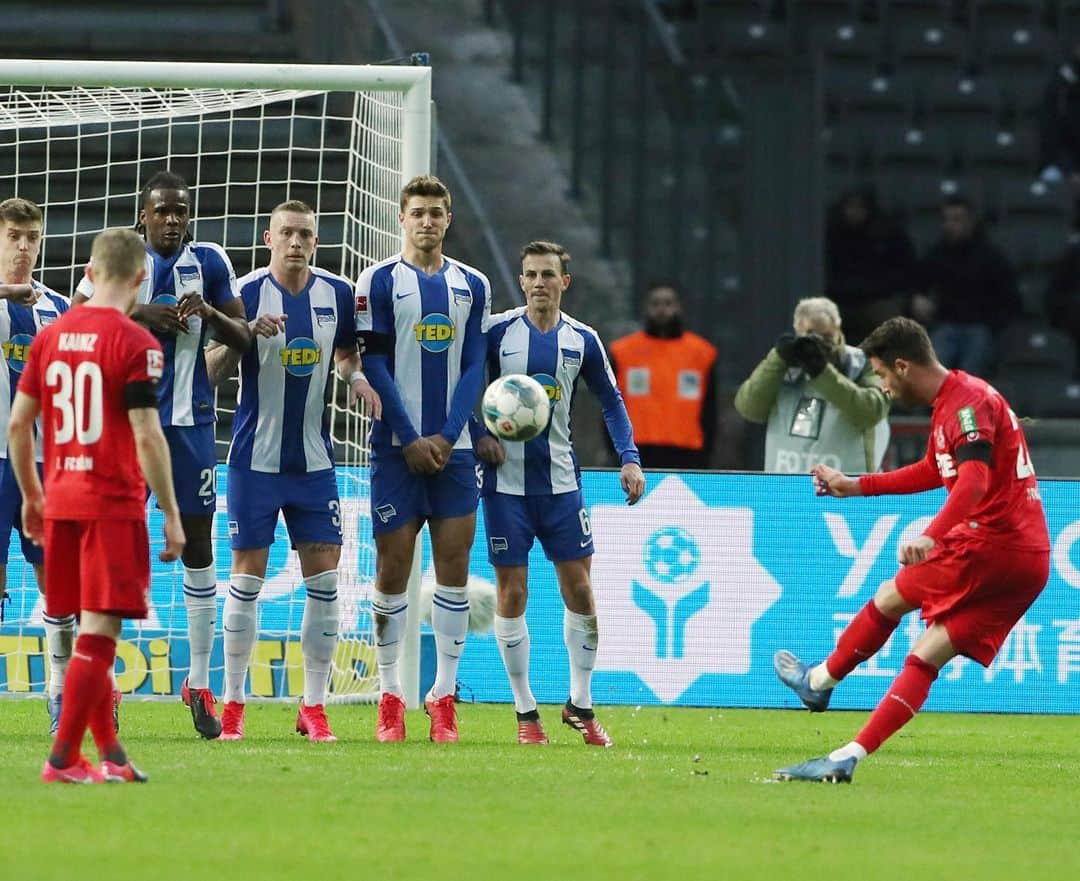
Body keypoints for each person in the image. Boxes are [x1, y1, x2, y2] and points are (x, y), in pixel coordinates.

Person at [773, 317, 1050, 783]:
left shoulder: (967, 405)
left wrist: (933, 535)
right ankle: (848, 755)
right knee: (926, 655)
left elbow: (974, 482)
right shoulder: (957, 401)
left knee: (889, 597)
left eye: (882, 374)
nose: (882, 386)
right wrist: (855, 486)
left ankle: (818, 682)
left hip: (990, 546)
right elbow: (931, 471)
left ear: (902, 365)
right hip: (1029, 562)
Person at [73, 170, 250, 739]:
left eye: (180, 210)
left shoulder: (212, 261)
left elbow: (244, 339)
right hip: (123, 428)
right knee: (110, 548)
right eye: (162, 210)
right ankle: (103, 681)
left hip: (191, 427)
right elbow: (78, 326)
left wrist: (213, 317)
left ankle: (199, 680)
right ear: (143, 214)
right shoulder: (120, 258)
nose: (172, 219)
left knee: (199, 545)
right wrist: (135, 315)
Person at [10, 227, 185, 783]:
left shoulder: (51, 336)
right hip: (111, 503)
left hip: (59, 500)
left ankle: (110, 755)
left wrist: (32, 495)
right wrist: (173, 513)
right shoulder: (136, 344)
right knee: (98, 636)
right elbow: (148, 435)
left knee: (88, 630)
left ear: (89, 272)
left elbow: (19, 425)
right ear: (139, 278)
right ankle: (62, 758)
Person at [205, 200, 380, 742]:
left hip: (315, 464)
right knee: (246, 582)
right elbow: (210, 371)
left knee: (326, 585)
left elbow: (347, 355)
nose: (297, 242)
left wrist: (356, 381)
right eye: (287, 233)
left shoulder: (336, 294)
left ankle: (313, 705)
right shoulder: (247, 294)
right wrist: (245, 335)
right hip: (253, 463)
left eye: (306, 233)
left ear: (316, 240)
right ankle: (233, 703)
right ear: (268, 238)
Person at [477, 241, 645, 745]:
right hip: (504, 488)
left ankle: (581, 703)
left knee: (581, 591)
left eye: (548, 275)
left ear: (564, 283)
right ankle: (526, 713)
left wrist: (630, 457)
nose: (539, 284)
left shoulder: (583, 340)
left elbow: (611, 403)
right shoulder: (497, 334)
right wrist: (480, 433)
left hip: (562, 485)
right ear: (521, 280)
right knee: (513, 593)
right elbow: (465, 387)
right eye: (530, 275)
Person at [355, 174, 490, 743]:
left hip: (454, 454)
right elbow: (376, 364)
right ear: (401, 217)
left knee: (453, 575)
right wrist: (411, 436)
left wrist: (449, 433)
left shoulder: (474, 284)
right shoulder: (379, 280)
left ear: (448, 220)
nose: (428, 221)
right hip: (395, 451)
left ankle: (443, 697)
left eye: (437, 213)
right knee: (393, 572)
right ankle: (391, 696)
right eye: (418, 212)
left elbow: (474, 365)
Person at [0, 198, 71, 734]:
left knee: (56, 580)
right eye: (14, 236)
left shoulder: (57, 308)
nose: (24, 246)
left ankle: (59, 690)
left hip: (45, 463)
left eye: (31, 237)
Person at [734, 296, 890, 474]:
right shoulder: (784, 364)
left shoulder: (862, 364)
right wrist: (777, 360)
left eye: (827, 336)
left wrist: (822, 372)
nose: (821, 343)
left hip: (847, 492)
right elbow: (749, 409)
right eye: (812, 336)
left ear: (839, 331)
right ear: (798, 333)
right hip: (786, 492)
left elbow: (872, 411)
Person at [608, 283, 717, 469]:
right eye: (655, 303)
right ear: (646, 308)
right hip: (637, 451)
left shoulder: (702, 354)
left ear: (679, 307)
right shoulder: (623, 352)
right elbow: (610, 405)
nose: (662, 309)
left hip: (688, 453)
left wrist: (707, 453)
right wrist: (614, 450)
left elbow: (711, 409)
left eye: (668, 303)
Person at [910, 195, 1020, 379]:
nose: (950, 225)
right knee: (933, 369)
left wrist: (993, 324)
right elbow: (916, 284)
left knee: (970, 374)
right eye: (946, 220)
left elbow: (1010, 298)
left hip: (980, 327)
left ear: (971, 222)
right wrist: (917, 297)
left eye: (957, 220)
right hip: (945, 324)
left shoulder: (991, 256)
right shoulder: (936, 254)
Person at [824, 187, 917, 345]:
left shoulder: (885, 235)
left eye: (859, 207)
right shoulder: (831, 235)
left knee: (893, 323)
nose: (854, 212)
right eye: (850, 207)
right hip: (839, 300)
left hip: (874, 300)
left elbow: (901, 271)